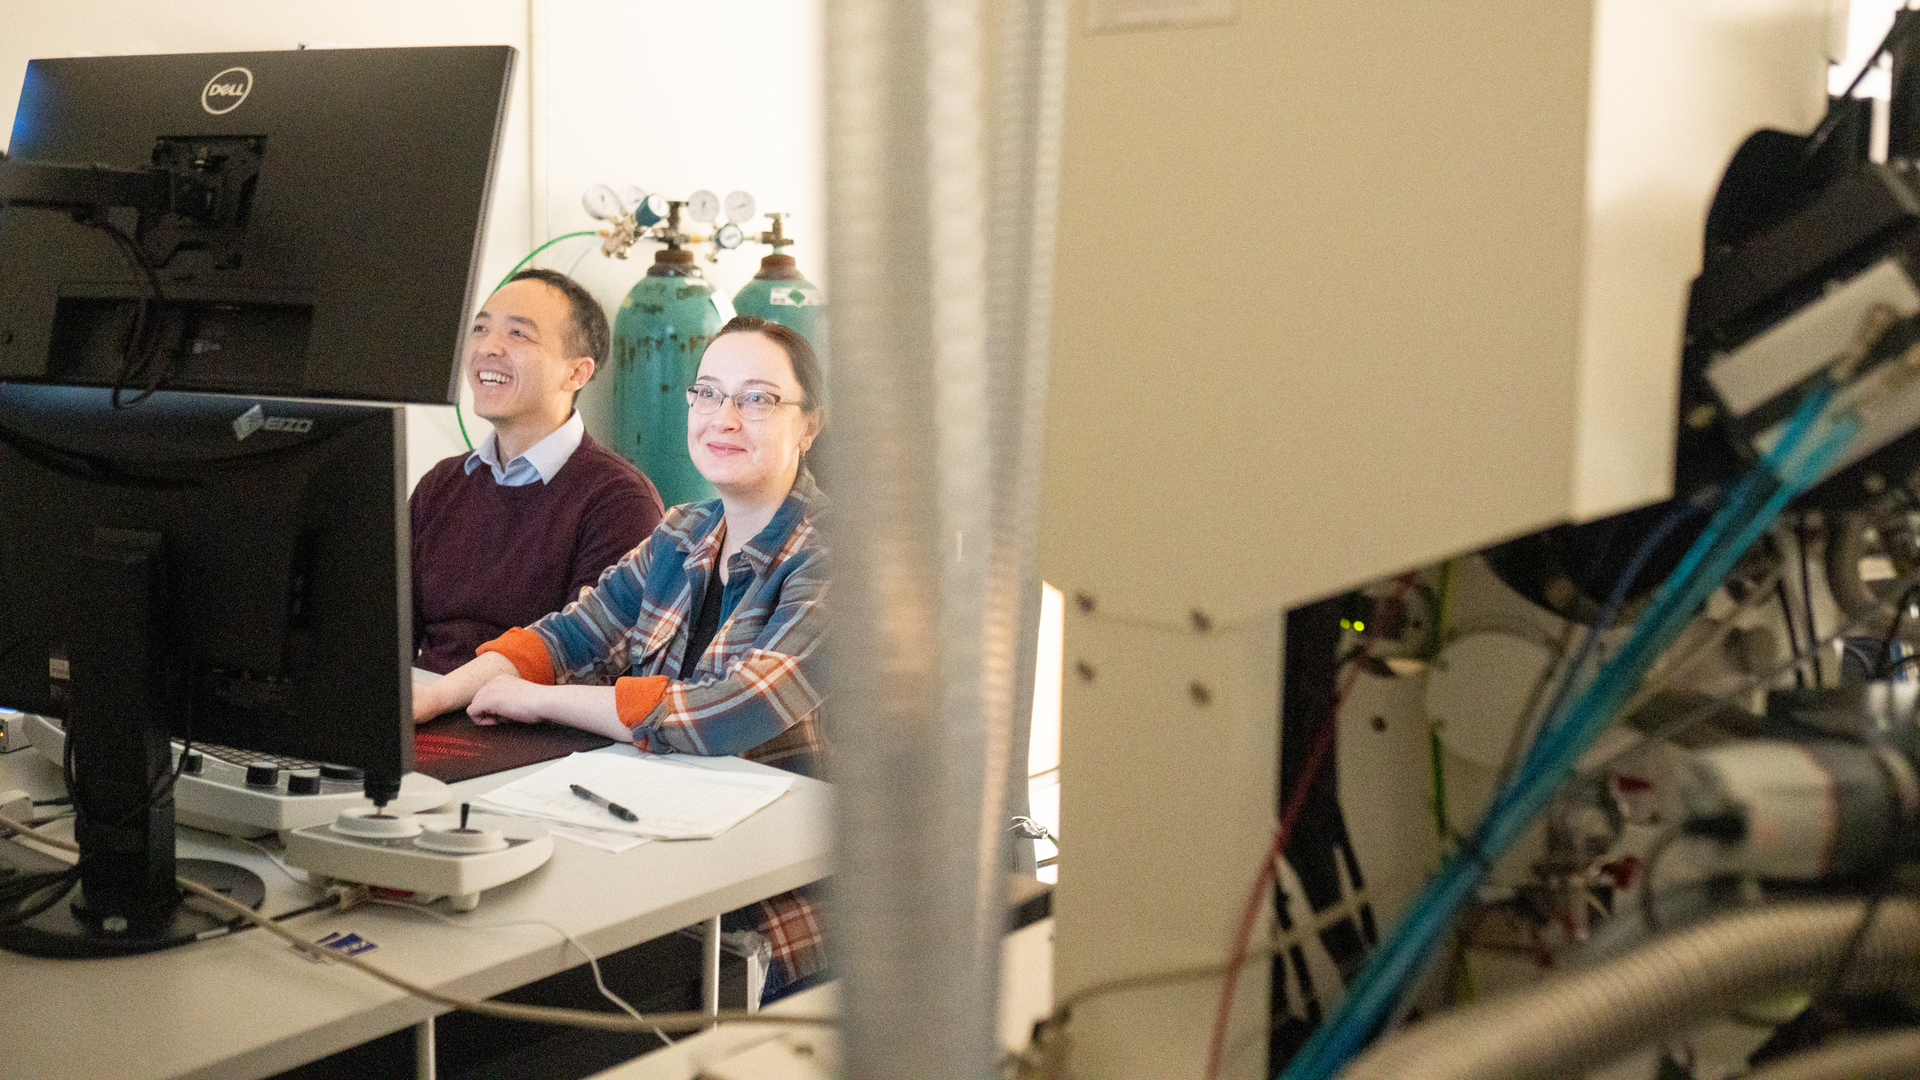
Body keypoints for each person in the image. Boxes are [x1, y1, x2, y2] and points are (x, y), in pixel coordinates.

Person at [412, 314, 828, 997]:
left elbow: (728, 714)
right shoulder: (683, 532)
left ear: (808, 426)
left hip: (789, 892)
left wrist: (539, 700)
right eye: (708, 393)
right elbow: (568, 635)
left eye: (757, 399)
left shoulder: (833, 556)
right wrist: (440, 693)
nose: (724, 417)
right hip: (672, 844)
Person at [411, 268, 664, 675]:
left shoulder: (619, 500)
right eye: (480, 328)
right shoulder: (440, 485)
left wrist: (441, 697)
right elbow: (390, 632)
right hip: (426, 709)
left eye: (517, 334)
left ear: (576, 373)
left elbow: (584, 664)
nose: (488, 347)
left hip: (527, 725)